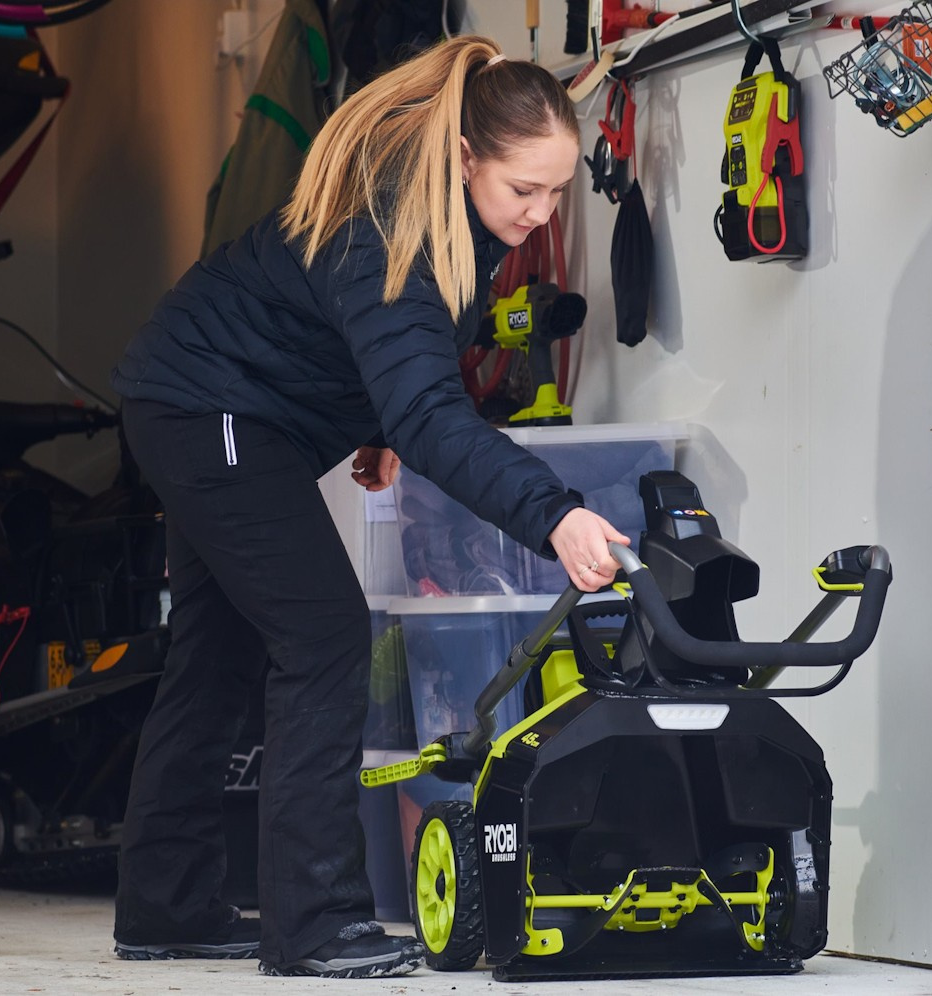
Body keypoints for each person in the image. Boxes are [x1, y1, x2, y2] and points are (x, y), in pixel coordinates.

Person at [107, 36, 627, 979]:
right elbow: (433, 411)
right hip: (208, 407)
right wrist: (553, 514)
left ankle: (165, 905)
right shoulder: (391, 232)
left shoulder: (455, 221)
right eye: (525, 190)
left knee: (218, 654)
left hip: (214, 405)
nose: (541, 214)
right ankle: (314, 925)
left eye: (558, 193)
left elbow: (395, 359)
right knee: (325, 635)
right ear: (465, 157)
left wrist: (377, 421)